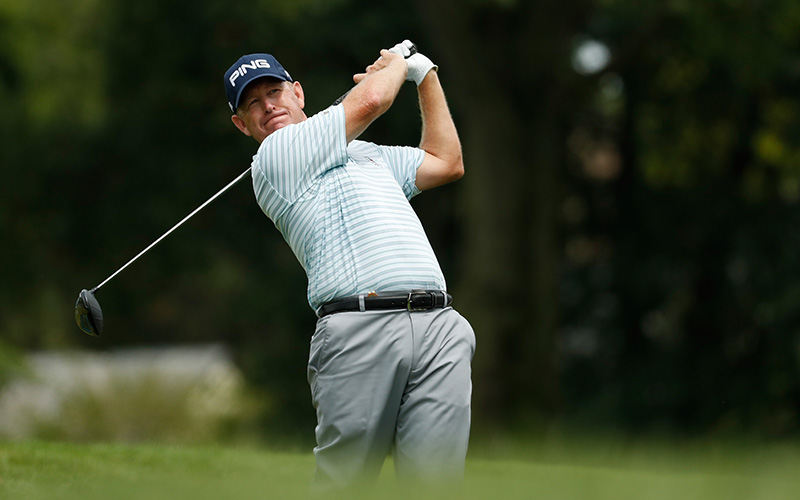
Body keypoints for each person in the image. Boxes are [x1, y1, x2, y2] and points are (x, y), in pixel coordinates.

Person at [223, 41, 475, 489]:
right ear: (242, 125)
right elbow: (373, 99)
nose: (268, 106)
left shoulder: (370, 155)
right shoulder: (275, 159)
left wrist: (425, 75)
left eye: (274, 92)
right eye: (252, 103)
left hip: (439, 326)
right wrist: (397, 64)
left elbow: (446, 161)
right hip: (359, 329)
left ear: (297, 93)